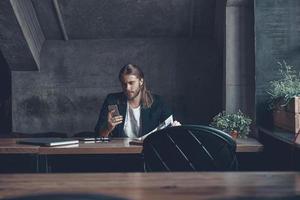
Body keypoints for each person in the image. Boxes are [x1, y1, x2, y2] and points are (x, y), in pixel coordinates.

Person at [95, 64, 180, 138]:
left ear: (141, 81)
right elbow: (99, 135)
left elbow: (172, 127)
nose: (127, 88)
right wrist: (108, 127)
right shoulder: (112, 100)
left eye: (131, 83)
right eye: (124, 84)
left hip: (148, 151)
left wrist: (175, 128)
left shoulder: (158, 102)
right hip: (119, 152)